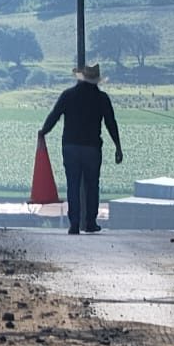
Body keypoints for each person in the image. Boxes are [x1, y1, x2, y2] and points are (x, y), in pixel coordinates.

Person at [38, 62, 123, 234]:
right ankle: (90, 222)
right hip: (92, 147)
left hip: (70, 146)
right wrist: (118, 146)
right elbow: (110, 123)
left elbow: (54, 115)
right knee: (92, 185)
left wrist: (43, 132)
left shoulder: (68, 95)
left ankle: (74, 223)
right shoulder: (102, 98)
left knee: (73, 184)